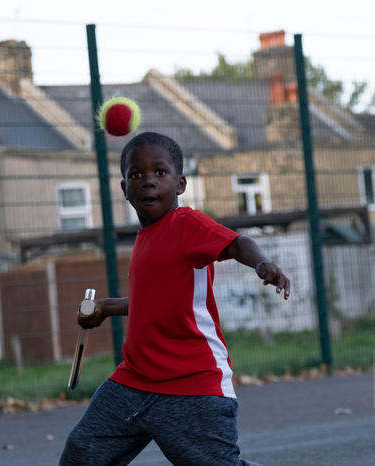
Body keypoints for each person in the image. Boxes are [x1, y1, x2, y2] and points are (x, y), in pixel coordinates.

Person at [60, 132, 290, 466]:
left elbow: (238, 242)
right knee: (82, 454)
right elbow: (153, 300)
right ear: (124, 189)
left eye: (160, 173)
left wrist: (262, 262)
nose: (148, 182)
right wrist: (107, 307)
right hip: (133, 381)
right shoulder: (145, 238)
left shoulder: (186, 224)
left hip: (192, 386)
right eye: (136, 175)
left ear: (180, 184)